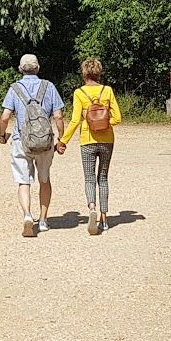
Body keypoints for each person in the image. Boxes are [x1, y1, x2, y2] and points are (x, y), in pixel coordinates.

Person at [0, 54, 64, 237]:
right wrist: (61, 139)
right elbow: (58, 116)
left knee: (23, 181)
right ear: (38, 68)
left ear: (20, 69)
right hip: (45, 142)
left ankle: (27, 215)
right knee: (44, 180)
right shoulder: (48, 87)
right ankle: (43, 220)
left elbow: (5, 117)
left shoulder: (15, 88)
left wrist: (3, 135)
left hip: (21, 141)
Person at [55, 57, 123, 234]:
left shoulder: (79, 93)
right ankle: (105, 218)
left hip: (87, 140)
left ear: (84, 73)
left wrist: (63, 141)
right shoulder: (107, 91)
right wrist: (104, 123)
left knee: (89, 178)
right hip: (107, 140)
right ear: (99, 72)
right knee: (104, 178)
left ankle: (92, 208)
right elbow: (117, 118)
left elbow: (75, 120)